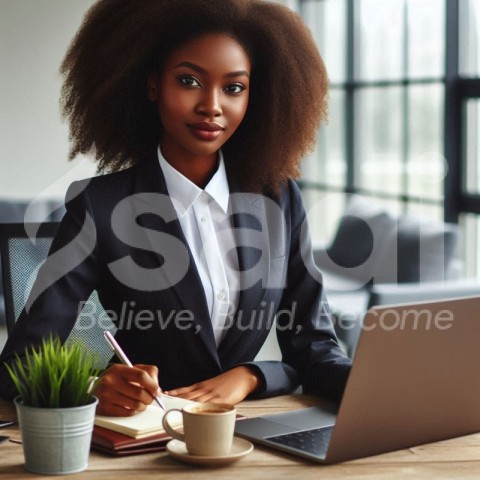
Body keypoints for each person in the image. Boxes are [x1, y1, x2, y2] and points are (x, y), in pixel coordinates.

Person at [0, 0, 351, 416]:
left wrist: (252, 375)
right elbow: (19, 362)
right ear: (153, 85)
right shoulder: (101, 206)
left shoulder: (278, 198)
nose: (212, 106)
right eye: (189, 81)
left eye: (233, 88)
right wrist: (93, 384)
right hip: (141, 439)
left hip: (244, 438)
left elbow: (314, 347)